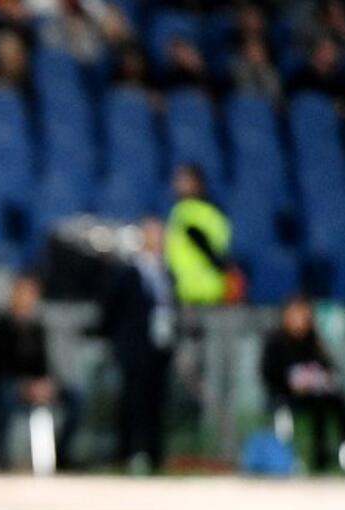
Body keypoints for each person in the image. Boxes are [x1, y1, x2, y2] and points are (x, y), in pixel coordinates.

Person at [0, 275, 82, 471]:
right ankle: (1, 458)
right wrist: (24, 386)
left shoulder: (37, 328)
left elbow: (43, 365)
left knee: (76, 396)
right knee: (6, 395)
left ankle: (62, 455)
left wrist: (45, 384)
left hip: (31, 386)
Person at [100, 217, 177, 473]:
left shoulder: (167, 272)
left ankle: (155, 455)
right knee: (132, 402)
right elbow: (111, 308)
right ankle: (129, 453)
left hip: (160, 347)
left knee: (156, 401)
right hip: (133, 347)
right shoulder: (127, 271)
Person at [261, 296, 345, 474]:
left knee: (338, 402)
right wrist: (291, 384)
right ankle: (286, 463)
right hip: (284, 396)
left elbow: (329, 368)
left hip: (312, 395)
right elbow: (268, 374)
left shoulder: (313, 340)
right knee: (286, 412)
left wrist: (321, 379)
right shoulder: (275, 341)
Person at [165, 163, 241, 306]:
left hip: (209, 291)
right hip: (184, 291)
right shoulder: (178, 210)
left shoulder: (210, 212)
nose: (178, 184)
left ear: (197, 182)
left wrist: (196, 235)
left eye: (184, 180)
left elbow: (218, 251)